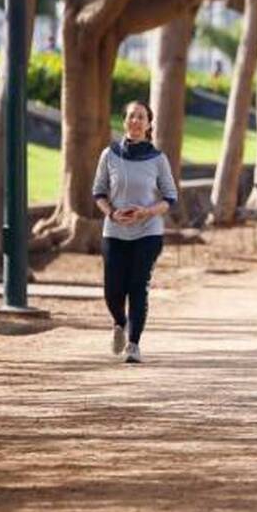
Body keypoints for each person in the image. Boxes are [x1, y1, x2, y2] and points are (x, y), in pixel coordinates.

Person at [92, 100, 178, 364]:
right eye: (131, 116)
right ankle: (120, 322)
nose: (136, 121)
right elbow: (99, 192)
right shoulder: (110, 154)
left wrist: (148, 212)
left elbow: (170, 196)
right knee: (113, 290)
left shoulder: (158, 159)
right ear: (124, 121)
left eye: (141, 117)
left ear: (149, 123)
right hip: (115, 231)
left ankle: (134, 344)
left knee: (138, 286)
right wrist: (111, 212)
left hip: (148, 232)